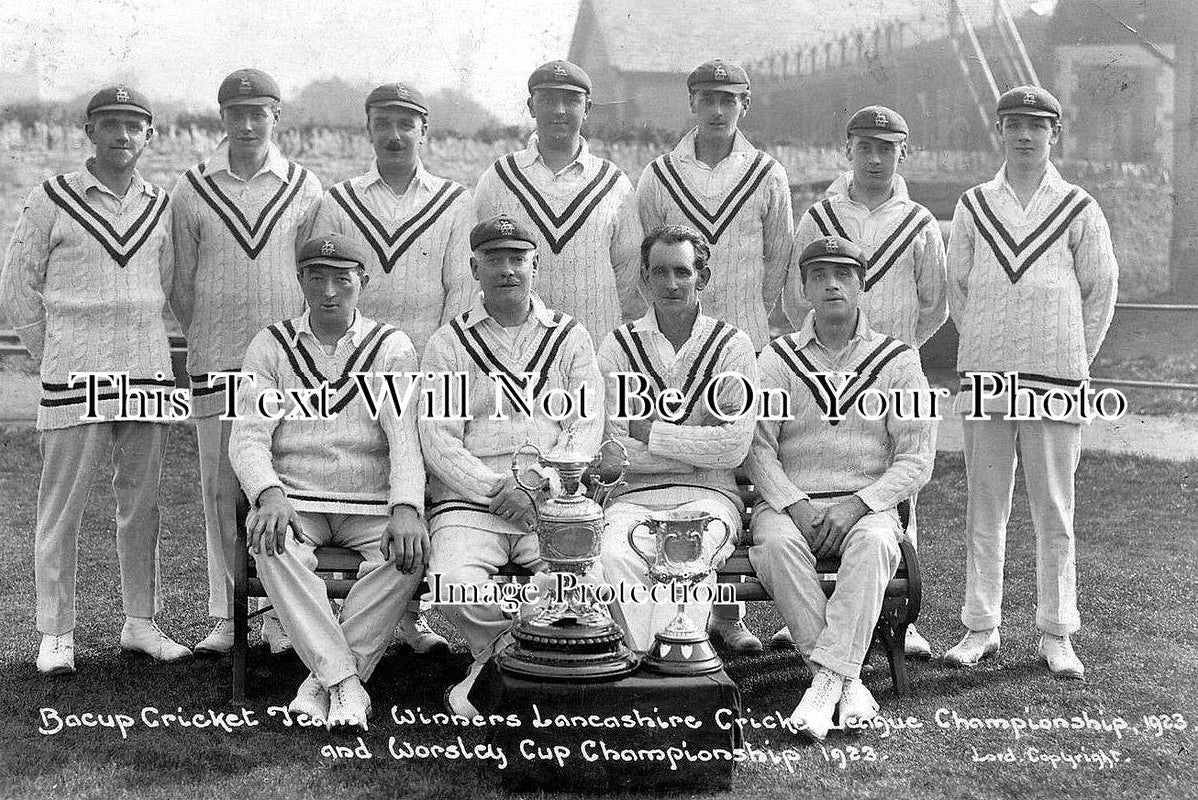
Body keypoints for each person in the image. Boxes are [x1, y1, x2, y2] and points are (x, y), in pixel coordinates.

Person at [0, 85, 190, 674]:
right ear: (89, 131)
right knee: (62, 505)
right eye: (110, 124)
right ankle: (56, 632)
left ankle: (141, 622)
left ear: (150, 136)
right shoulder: (51, 197)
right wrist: (51, 351)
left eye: (135, 126)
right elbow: (18, 288)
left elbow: (165, 286)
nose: (122, 136)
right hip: (72, 372)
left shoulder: (162, 206)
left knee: (142, 503)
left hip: (146, 370)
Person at [942, 86, 1118, 680]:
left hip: (1058, 377)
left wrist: (1067, 355)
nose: (1024, 135)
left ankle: (1056, 632)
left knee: (1054, 511)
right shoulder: (973, 204)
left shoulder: (1078, 206)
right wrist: (993, 344)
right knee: (984, 508)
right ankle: (979, 627)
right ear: (999, 131)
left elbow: (1101, 292)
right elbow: (958, 290)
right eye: (1014, 124)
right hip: (988, 374)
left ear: (1055, 134)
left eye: (1037, 126)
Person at [228, 233, 428, 729]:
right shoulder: (271, 344)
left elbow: (404, 436)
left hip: (369, 504)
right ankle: (344, 682)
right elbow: (247, 437)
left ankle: (324, 681)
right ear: (300, 280)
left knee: (408, 554)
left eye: (343, 278)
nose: (330, 291)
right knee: (270, 542)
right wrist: (268, 493)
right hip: (297, 501)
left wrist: (405, 507)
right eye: (316, 277)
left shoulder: (391, 345)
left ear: (364, 280)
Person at [747, 236, 936, 741]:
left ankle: (827, 682)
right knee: (773, 544)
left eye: (844, 274)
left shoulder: (898, 360)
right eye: (819, 275)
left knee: (877, 543)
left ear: (862, 284)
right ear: (804, 287)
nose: (831, 284)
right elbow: (758, 449)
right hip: (792, 506)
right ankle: (845, 684)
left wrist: (859, 505)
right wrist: (795, 505)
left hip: (865, 505)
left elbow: (916, 458)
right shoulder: (776, 358)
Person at [777, 104, 946, 658]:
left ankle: (900, 615)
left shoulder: (919, 221)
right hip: (822, 356)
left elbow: (934, 304)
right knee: (819, 467)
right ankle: (814, 613)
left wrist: (896, 350)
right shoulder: (820, 214)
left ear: (904, 151)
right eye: (864, 146)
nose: (875, 158)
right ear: (847, 150)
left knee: (899, 492)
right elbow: (791, 288)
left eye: (887, 147)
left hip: (891, 364)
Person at [635, 58, 794, 650]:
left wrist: (749, 324)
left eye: (729, 100)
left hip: (741, 341)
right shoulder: (658, 175)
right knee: (686, 464)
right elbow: (650, 252)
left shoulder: (767, 173)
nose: (718, 109)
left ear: (744, 106)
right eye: (707, 98)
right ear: (692, 103)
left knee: (742, 472)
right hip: (676, 340)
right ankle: (678, 611)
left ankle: (728, 617)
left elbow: (776, 260)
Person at [419, 214, 604, 718]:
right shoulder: (449, 341)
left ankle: (493, 665)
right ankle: (516, 657)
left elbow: (586, 425)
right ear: (475, 268)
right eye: (495, 260)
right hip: (473, 501)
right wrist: (499, 488)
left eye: (517, 259)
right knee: (449, 585)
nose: (507, 270)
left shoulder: (569, 336)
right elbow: (439, 440)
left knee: (588, 583)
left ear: (535, 266)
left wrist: (540, 485)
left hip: (551, 501)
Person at [169, 68, 322, 656]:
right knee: (218, 488)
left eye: (259, 112)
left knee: (283, 482)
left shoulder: (305, 186)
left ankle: (282, 618)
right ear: (223, 118)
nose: (248, 123)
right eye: (237, 112)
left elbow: (312, 275)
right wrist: (212, 330)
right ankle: (223, 615)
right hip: (215, 358)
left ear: (276, 117)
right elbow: (181, 283)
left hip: (287, 365)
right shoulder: (192, 187)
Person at [597, 225, 756, 652]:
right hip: (630, 499)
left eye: (682, 272)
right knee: (612, 555)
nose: (671, 284)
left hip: (709, 497)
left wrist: (655, 435)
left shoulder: (732, 345)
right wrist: (697, 450)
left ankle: (654, 664)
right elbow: (612, 453)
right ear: (644, 278)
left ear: (701, 277)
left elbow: (734, 446)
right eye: (660, 272)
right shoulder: (618, 346)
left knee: (686, 559)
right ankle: (666, 662)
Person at [473, 60, 641, 340]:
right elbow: (479, 265)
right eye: (548, 99)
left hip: (595, 339)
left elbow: (628, 270)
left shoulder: (614, 183)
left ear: (587, 109)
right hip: (516, 343)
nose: (559, 110)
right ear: (531, 106)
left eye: (571, 100)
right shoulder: (500, 177)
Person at [314, 82, 474, 355]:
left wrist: (443, 358)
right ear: (369, 131)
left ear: (423, 132)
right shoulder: (339, 200)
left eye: (406, 125)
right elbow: (321, 290)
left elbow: (462, 290)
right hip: (353, 360)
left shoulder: (455, 201)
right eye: (383, 124)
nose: (394, 136)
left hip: (428, 359)